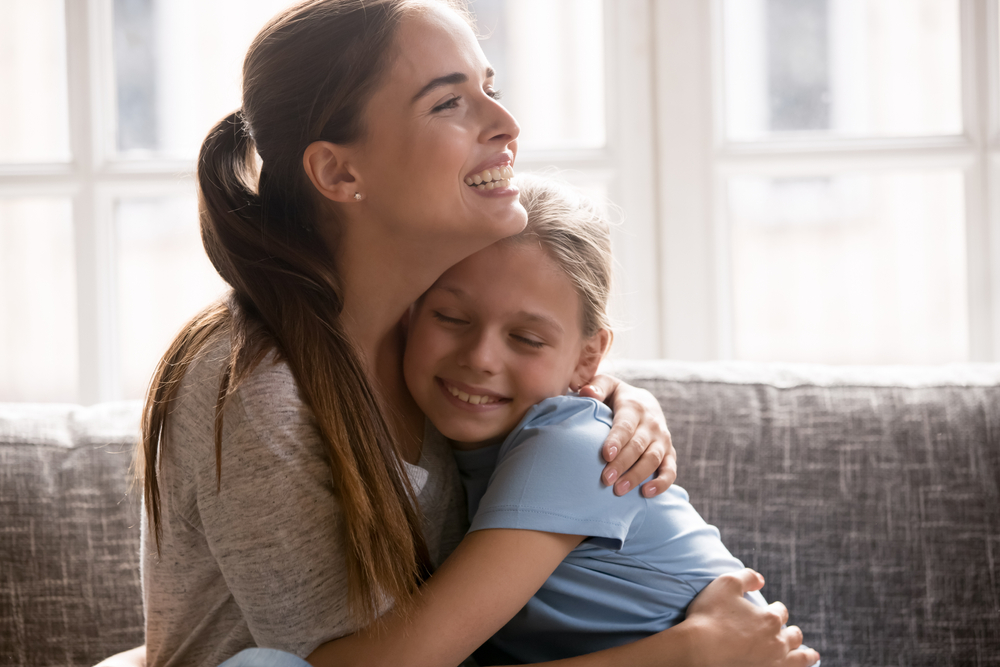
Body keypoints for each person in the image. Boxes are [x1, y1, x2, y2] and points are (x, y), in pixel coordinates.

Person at [101, 1, 816, 666]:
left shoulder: (433, 356)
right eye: (448, 101)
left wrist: (610, 402)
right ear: (339, 170)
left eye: (490, 87)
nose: (506, 123)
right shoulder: (261, 387)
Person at [383, 175, 817, 665]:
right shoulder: (431, 440)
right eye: (451, 317)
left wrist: (687, 653)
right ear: (410, 310)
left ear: (588, 357)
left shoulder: (571, 448)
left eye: (526, 339)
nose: (480, 357)